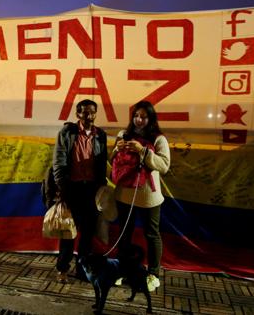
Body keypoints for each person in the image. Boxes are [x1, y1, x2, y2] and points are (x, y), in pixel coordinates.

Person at [109, 100, 170, 292]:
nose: (139, 120)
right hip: (125, 193)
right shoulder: (123, 134)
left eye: (143, 116)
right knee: (124, 233)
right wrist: (116, 150)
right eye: (136, 116)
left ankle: (153, 274)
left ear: (150, 118)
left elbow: (164, 166)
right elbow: (113, 162)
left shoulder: (159, 139)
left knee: (151, 234)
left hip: (148, 195)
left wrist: (143, 151)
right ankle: (123, 269)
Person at [52, 99, 108, 283]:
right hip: (72, 189)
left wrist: (101, 187)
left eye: (92, 112)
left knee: (88, 233)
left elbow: (102, 164)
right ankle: (62, 269)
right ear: (77, 114)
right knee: (68, 232)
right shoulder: (66, 133)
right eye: (84, 112)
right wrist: (62, 187)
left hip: (91, 190)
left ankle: (82, 269)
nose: (89, 116)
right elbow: (59, 162)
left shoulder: (101, 135)